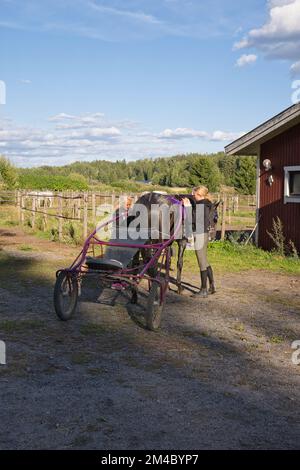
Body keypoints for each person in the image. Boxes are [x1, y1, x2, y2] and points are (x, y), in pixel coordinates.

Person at [183, 186, 216, 298]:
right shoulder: (204, 203)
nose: (193, 195)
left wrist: (187, 207)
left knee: (201, 262)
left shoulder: (202, 205)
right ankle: (212, 286)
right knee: (205, 261)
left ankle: (203, 290)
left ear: (200, 195)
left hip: (200, 234)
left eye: (195, 194)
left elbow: (194, 220)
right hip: (203, 233)